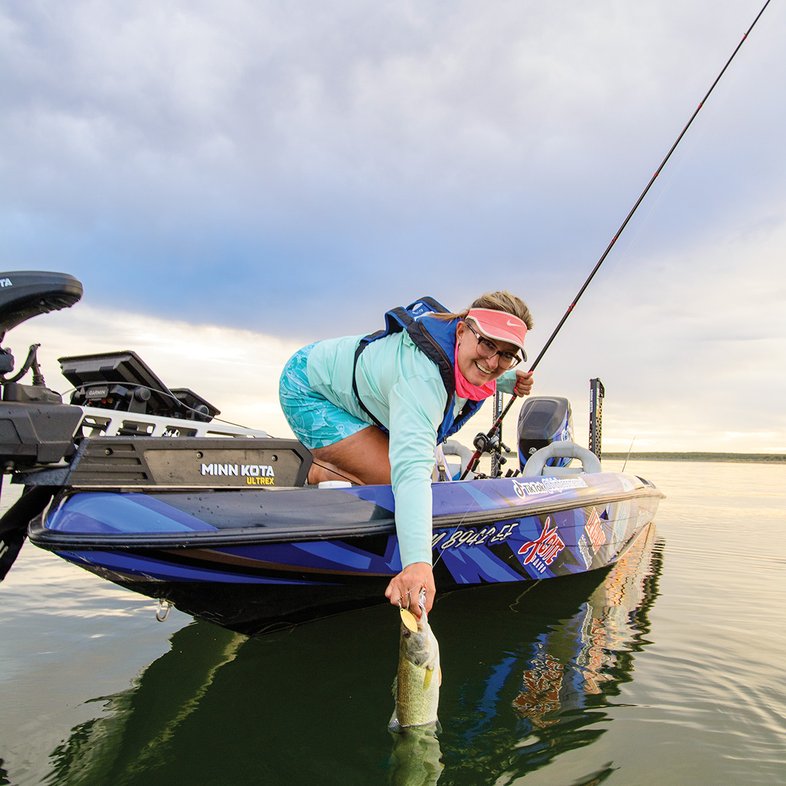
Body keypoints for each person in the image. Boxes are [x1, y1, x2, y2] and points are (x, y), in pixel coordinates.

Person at [278, 291, 534, 617]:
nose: (493, 362)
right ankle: (312, 468)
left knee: (405, 472)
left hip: (352, 392)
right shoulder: (421, 380)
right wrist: (417, 563)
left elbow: (477, 368)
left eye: (508, 355)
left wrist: (508, 380)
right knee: (390, 478)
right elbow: (410, 472)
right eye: (487, 345)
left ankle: (339, 459)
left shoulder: (466, 355)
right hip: (307, 388)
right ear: (461, 331)